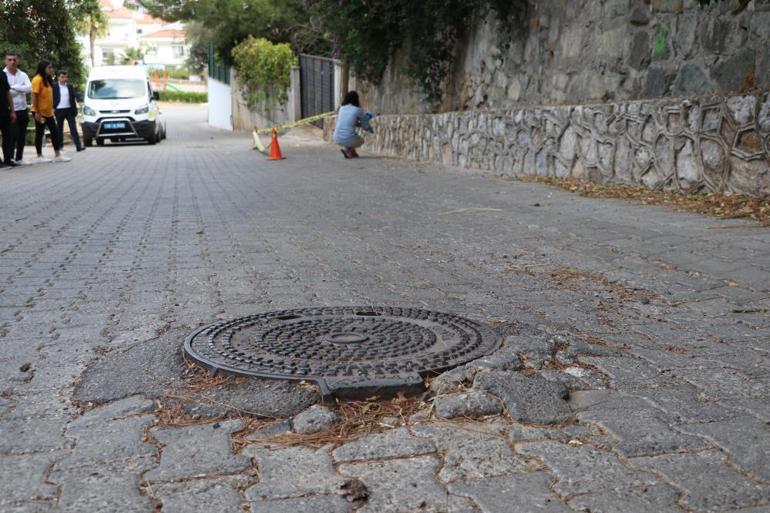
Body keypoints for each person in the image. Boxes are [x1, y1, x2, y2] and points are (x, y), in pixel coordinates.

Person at [30, 60, 69, 163]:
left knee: (54, 132)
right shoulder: (37, 79)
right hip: (39, 112)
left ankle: (57, 155)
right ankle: (39, 156)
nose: (51, 69)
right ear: (43, 68)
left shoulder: (48, 79)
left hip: (48, 112)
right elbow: (34, 96)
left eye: (51, 67)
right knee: (40, 133)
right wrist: (37, 112)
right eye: (49, 67)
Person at [3, 51, 31, 165]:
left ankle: (19, 158)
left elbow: (30, 88)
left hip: (23, 109)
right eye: (10, 60)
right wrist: (21, 89)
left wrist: (15, 87)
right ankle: (10, 158)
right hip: (10, 110)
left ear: (17, 61)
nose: (12, 62)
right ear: (5, 61)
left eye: (14, 59)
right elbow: (6, 92)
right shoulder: (3, 74)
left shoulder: (23, 74)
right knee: (12, 135)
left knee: (22, 136)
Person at [332, 91, 372, 159]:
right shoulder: (358, 110)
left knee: (350, 138)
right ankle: (349, 151)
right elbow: (365, 126)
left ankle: (348, 150)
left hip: (336, 138)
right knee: (361, 141)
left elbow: (348, 122)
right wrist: (369, 128)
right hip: (349, 138)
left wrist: (358, 124)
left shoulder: (341, 108)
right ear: (356, 99)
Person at [54, 70, 84, 152]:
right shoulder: (54, 86)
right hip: (59, 110)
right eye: (62, 77)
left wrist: (77, 103)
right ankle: (60, 146)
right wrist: (53, 108)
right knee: (59, 129)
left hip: (69, 110)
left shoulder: (70, 86)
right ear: (58, 77)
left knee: (73, 128)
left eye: (65, 77)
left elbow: (73, 97)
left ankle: (78, 146)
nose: (64, 79)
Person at [0, 68, 17, 167]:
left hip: (4, 110)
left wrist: (12, 110)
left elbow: (8, 92)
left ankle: (8, 159)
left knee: (7, 135)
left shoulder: (2, 73)